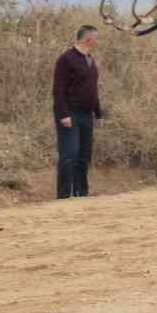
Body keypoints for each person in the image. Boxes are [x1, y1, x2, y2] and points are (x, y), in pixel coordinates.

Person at [53, 25, 103, 198]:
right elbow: (58, 90)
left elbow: (92, 89)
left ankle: (81, 193)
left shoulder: (90, 60)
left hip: (86, 114)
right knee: (69, 154)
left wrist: (98, 113)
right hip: (70, 113)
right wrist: (63, 115)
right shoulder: (66, 59)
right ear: (88, 39)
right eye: (95, 38)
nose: (96, 42)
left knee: (84, 155)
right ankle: (64, 195)